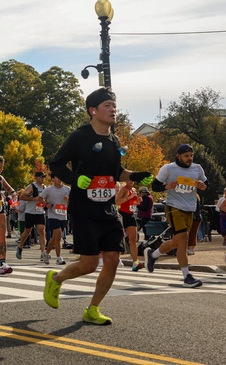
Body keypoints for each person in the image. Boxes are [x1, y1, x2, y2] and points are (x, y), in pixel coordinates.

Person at [43, 87, 154, 326]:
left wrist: (135, 176)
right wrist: (75, 179)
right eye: (107, 105)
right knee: (89, 264)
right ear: (93, 110)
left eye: (114, 105)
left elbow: (117, 172)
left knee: (112, 259)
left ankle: (93, 309)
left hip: (109, 209)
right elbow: (56, 164)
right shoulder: (79, 136)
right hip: (84, 209)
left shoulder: (114, 140)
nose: (113, 109)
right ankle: (56, 278)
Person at [145, 144, 207, 288]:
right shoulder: (168, 168)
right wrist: (166, 186)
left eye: (191, 156)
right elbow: (155, 186)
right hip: (174, 207)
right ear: (178, 156)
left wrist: (202, 186)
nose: (189, 158)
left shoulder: (197, 168)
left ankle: (153, 255)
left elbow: (206, 183)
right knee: (183, 240)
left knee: (176, 242)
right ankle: (187, 276)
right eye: (186, 156)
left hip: (190, 208)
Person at [16, 171, 48, 262]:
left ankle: (43, 253)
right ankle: (20, 246)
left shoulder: (45, 188)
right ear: (36, 177)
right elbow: (22, 197)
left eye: (44, 177)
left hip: (40, 212)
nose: (43, 179)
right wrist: (33, 199)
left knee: (42, 231)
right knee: (27, 231)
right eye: (41, 177)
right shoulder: (31, 187)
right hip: (30, 212)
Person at [40, 174, 70, 265]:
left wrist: (68, 200)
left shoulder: (67, 189)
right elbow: (40, 198)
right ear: (53, 179)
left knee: (55, 237)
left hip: (63, 215)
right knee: (58, 234)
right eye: (57, 177)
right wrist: (46, 204)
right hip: (52, 215)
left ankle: (46, 253)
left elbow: (74, 201)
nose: (60, 179)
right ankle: (58, 258)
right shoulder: (49, 189)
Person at [116, 181, 143, 271]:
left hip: (131, 215)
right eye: (129, 179)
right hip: (122, 214)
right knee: (120, 238)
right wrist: (129, 197)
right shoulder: (124, 189)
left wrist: (137, 201)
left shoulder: (134, 189)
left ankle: (135, 262)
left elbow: (132, 203)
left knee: (133, 240)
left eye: (132, 179)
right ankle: (117, 260)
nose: (131, 181)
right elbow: (117, 201)